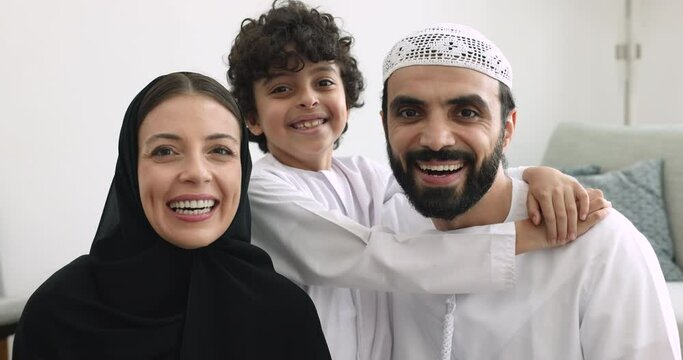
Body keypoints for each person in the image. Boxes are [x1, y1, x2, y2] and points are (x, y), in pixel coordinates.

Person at [227, 1, 609, 359]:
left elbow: (443, 176)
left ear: (348, 96)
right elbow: (375, 258)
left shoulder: (363, 174)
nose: (308, 99)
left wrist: (535, 175)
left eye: (323, 83)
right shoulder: (261, 190)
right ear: (252, 118)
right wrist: (527, 236)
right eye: (282, 89)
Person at [380, 23, 681, 359]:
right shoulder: (379, 221)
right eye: (410, 113)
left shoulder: (601, 246)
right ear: (385, 126)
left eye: (466, 113)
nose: (436, 139)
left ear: (506, 130)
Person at [13, 72, 331, 359]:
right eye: (165, 151)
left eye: (220, 151)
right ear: (130, 169)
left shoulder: (283, 312)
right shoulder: (58, 312)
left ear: (242, 168)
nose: (196, 172)